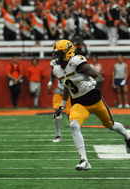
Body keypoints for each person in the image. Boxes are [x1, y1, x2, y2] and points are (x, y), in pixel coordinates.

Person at [52, 39, 130, 171]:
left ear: (67, 53)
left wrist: (92, 83)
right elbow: (67, 87)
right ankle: (84, 160)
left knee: (110, 125)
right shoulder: (57, 70)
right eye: (56, 53)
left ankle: (127, 136)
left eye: (59, 53)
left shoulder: (77, 63)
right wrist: (62, 105)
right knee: (73, 124)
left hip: (94, 99)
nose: (56, 56)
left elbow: (100, 77)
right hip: (78, 102)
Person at [48, 56, 72, 142]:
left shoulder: (72, 62)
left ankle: (76, 134)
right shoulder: (54, 63)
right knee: (56, 113)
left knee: (71, 115)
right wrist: (50, 83)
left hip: (70, 91)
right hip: (59, 89)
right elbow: (53, 74)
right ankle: (58, 136)